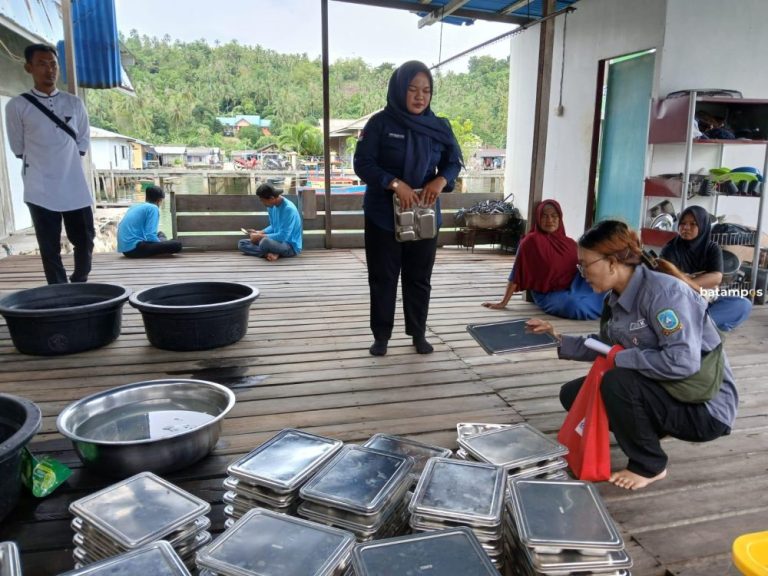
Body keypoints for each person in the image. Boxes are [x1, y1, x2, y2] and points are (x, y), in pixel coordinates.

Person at [528, 220, 737, 490]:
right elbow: (606, 346)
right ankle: (648, 432)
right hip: (668, 390)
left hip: (704, 409)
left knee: (617, 382)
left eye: (585, 265)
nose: (581, 273)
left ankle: (650, 465)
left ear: (613, 263)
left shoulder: (664, 294)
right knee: (574, 394)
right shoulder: (616, 297)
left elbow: (682, 362)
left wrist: (620, 359)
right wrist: (555, 338)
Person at [354, 60, 463, 356]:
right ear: (399, 89)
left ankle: (418, 333)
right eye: (413, 89)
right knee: (383, 277)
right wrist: (393, 183)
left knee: (419, 277)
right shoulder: (380, 124)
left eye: (426, 90)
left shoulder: (439, 127)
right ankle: (381, 336)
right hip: (383, 214)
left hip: (425, 213)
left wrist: (441, 180)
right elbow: (363, 163)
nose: (419, 96)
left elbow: (454, 162)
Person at [5, 44, 94, 284]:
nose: (49, 70)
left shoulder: (74, 103)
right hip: (40, 186)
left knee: (85, 238)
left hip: (73, 182)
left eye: (53, 64)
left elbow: (83, 138)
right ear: (29, 67)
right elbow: (17, 147)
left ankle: (80, 280)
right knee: (49, 245)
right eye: (42, 64)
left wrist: (67, 160)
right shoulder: (17, 106)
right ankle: (58, 289)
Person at [482, 200, 606, 320]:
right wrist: (503, 302)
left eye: (554, 216)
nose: (550, 220)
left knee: (606, 293)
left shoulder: (569, 243)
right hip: (549, 294)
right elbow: (516, 273)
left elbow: (588, 263)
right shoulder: (530, 242)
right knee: (575, 306)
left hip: (577, 285)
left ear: (560, 218)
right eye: (544, 216)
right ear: (538, 218)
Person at [660, 205, 751, 332]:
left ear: (703, 226)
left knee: (743, 304)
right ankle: (707, 328)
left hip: (706, 302)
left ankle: (696, 326)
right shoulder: (670, 249)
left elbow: (716, 278)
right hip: (680, 302)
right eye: (683, 223)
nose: (686, 227)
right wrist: (698, 283)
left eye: (693, 224)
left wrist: (684, 280)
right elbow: (672, 285)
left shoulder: (712, 248)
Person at [238, 183, 302, 261]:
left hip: (290, 246)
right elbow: (273, 226)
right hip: (275, 241)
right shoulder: (271, 206)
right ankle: (269, 254)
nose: (262, 203)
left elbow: (284, 236)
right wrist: (259, 232)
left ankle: (272, 251)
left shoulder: (288, 209)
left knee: (264, 242)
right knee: (242, 243)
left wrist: (260, 236)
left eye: (263, 201)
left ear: (271, 198)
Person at [117, 185, 182, 258]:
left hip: (125, 250)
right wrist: (162, 245)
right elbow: (150, 235)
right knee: (177, 245)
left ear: (147, 197)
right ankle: (164, 244)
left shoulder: (135, 206)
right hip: (134, 249)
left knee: (160, 234)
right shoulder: (153, 208)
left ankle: (164, 243)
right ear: (159, 200)